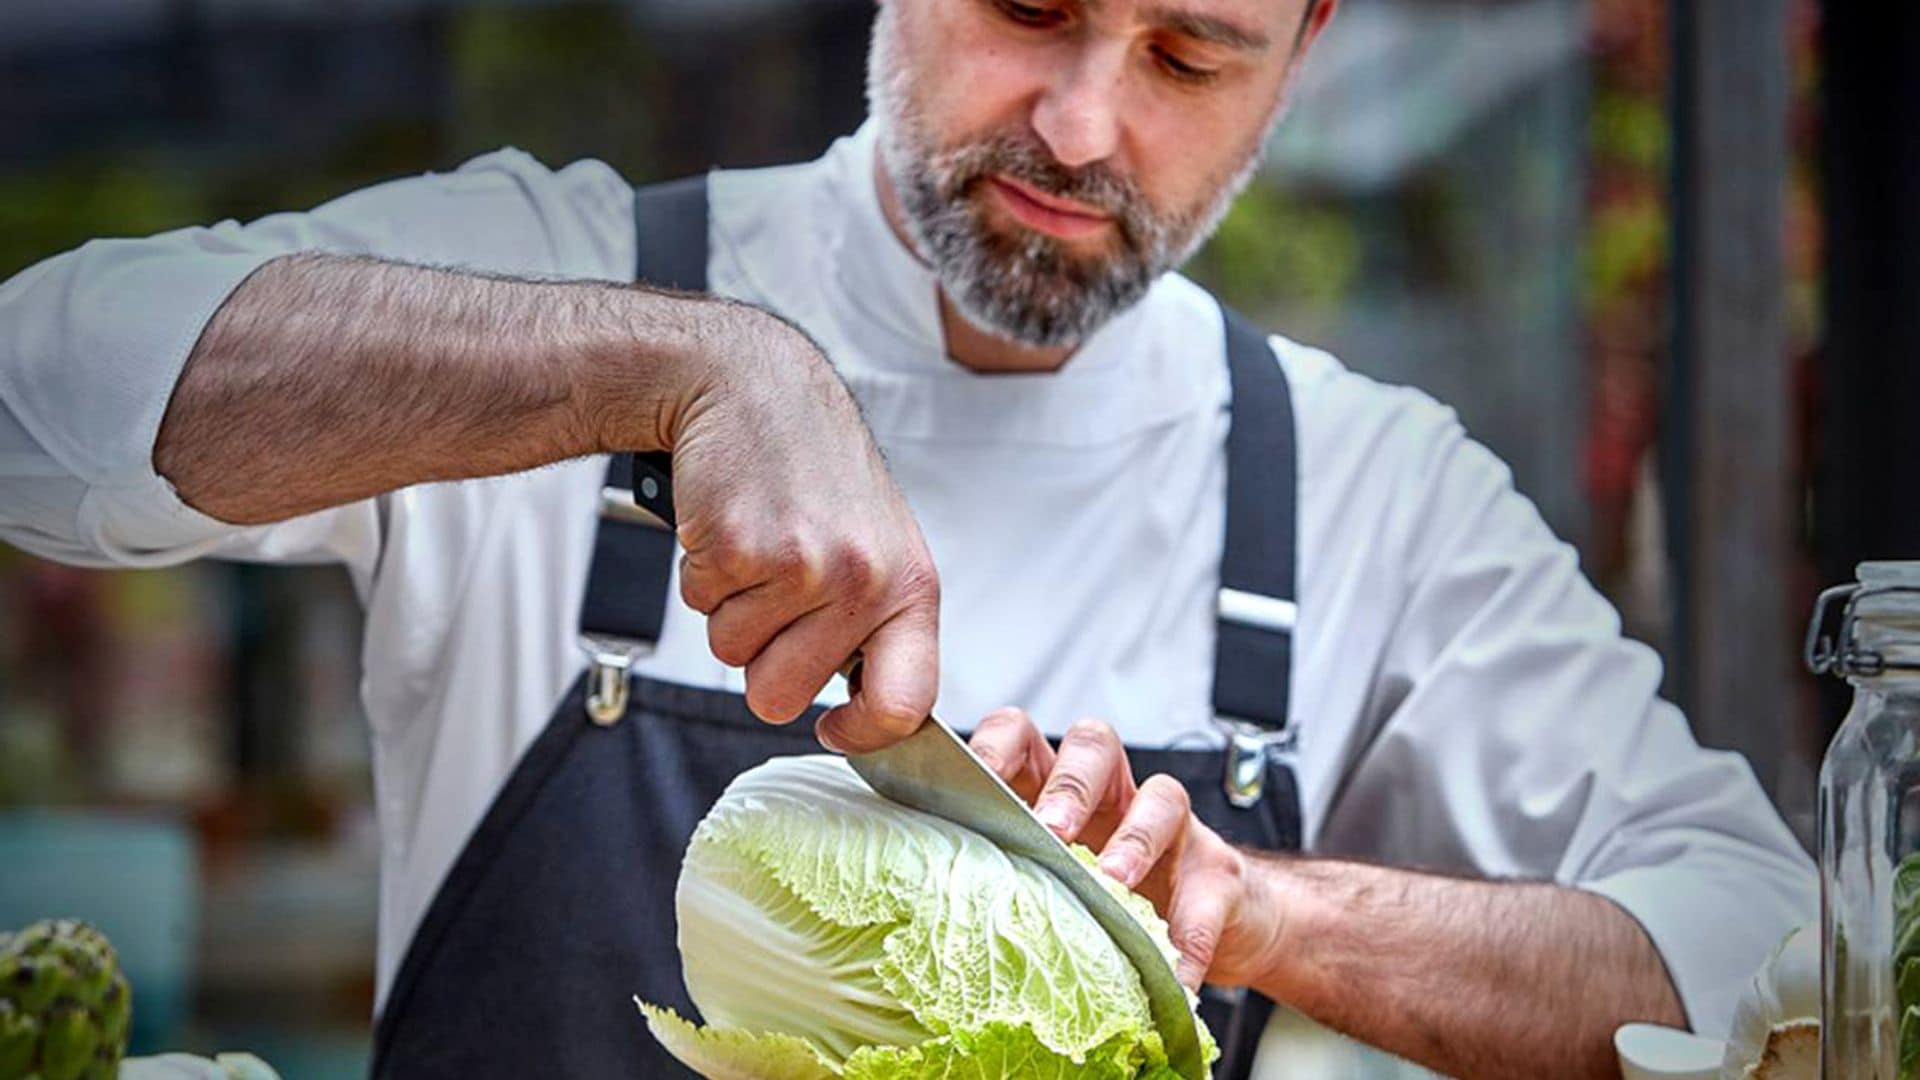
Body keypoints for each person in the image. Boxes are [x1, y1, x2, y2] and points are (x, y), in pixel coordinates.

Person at [0, 0, 1813, 1077]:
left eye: (1192, 53)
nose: (1084, 121)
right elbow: (34, 393)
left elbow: (1765, 963)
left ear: (1305, 50)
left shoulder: (1364, 492)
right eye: (1031, 0)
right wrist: (686, 366)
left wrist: (1257, 909)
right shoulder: (569, 273)